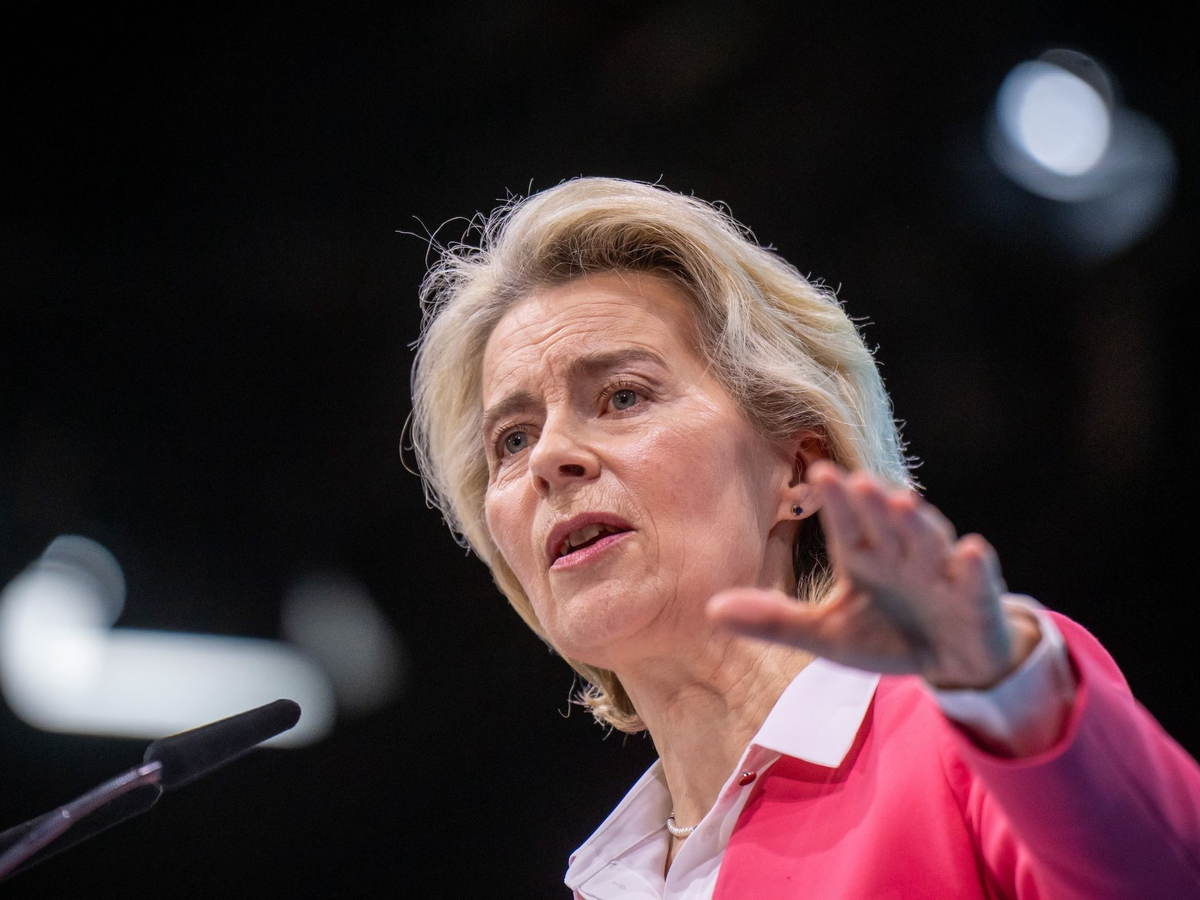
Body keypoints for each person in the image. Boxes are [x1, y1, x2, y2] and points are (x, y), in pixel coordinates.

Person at [409, 177, 1200, 899]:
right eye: (512, 440)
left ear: (800, 466)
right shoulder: (609, 882)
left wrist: (1012, 694)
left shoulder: (982, 726)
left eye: (622, 396)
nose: (549, 458)